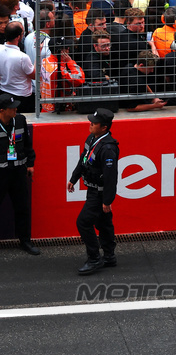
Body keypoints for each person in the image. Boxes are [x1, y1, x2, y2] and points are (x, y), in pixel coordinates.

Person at [66, 108, 120, 275]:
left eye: (94, 123)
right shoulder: (92, 138)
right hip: (92, 189)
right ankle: (109, 256)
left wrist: (107, 200)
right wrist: (73, 178)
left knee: (83, 222)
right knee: (103, 223)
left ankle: (94, 258)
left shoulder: (108, 148)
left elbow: (111, 177)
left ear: (104, 127)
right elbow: (83, 159)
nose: (90, 125)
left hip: (100, 194)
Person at [0, 94, 38, 255]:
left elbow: (28, 145)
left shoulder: (20, 120)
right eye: (12, 107)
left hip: (18, 172)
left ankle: (25, 241)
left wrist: (30, 163)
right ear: (2, 110)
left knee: (22, 207)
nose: (16, 109)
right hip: (0, 174)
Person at [0, 21, 36, 112]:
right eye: (22, 33)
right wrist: (37, 56)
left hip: (4, 92)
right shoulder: (22, 57)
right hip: (22, 97)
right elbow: (34, 76)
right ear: (18, 37)